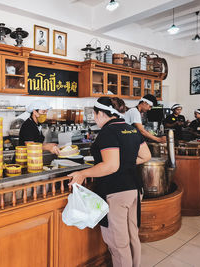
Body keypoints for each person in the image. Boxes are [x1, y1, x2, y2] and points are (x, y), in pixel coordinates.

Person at [68, 97, 151, 267]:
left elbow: (111, 166)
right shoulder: (131, 129)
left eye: (95, 114)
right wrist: (125, 161)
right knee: (131, 235)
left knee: (118, 242)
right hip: (135, 189)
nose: (95, 118)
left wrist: (83, 173)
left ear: (100, 113)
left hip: (116, 191)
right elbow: (145, 156)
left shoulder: (107, 133)